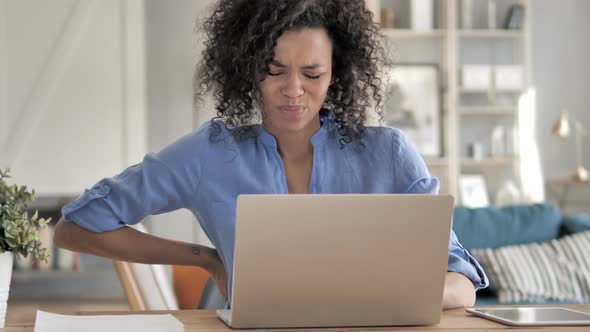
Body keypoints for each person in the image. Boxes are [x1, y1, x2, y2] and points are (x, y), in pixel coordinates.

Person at [54, 0, 488, 310]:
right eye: (274, 70)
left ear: (337, 72)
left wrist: (389, 297)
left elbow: (462, 282)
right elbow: (75, 228)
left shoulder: (389, 154)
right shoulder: (210, 154)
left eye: (312, 73)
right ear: (246, 68)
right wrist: (205, 258)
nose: (294, 90)